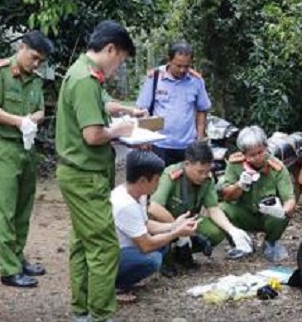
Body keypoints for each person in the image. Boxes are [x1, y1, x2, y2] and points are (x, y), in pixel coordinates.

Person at [55, 20, 137, 322]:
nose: (119, 66)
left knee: (82, 241)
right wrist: (120, 131)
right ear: (110, 49)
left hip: (78, 173)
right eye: (121, 60)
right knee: (104, 245)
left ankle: (81, 309)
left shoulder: (80, 72)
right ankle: (100, 314)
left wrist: (124, 111)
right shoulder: (86, 80)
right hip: (85, 176)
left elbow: (102, 104)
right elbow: (93, 135)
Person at [0, 30, 53, 288]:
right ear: (21, 47)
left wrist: (34, 119)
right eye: (33, 57)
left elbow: (41, 109)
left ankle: (19, 259)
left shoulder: (36, 79)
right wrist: (19, 121)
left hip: (27, 148)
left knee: (23, 208)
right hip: (4, 147)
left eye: (40, 61)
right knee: (5, 209)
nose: (36, 64)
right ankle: (9, 270)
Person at [148, 141, 252, 274]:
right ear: (187, 164)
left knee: (215, 232)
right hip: (164, 223)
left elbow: (213, 208)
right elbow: (154, 207)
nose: (204, 175)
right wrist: (176, 227)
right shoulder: (171, 175)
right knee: (165, 261)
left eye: (207, 171)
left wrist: (232, 230)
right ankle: (166, 256)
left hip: (188, 221)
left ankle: (181, 252)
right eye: (200, 171)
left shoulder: (207, 179)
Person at [111, 149, 199, 303]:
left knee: (162, 246)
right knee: (153, 259)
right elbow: (146, 245)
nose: (158, 184)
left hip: (129, 246)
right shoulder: (125, 204)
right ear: (143, 181)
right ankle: (116, 286)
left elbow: (146, 224)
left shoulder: (139, 194)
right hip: (114, 253)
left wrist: (174, 225)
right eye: (157, 180)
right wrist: (176, 232)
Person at [218, 126, 296, 262]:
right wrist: (239, 185)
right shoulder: (234, 164)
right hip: (244, 213)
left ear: (266, 147)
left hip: (268, 216)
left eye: (260, 152)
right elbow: (226, 196)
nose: (258, 157)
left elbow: (289, 198)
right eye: (252, 155)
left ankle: (271, 242)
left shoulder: (277, 167)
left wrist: (283, 210)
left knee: (281, 215)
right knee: (222, 209)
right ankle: (240, 242)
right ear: (243, 154)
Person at [135, 42, 211, 166]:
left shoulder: (196, 81)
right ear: (169, 61)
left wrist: (200, 138)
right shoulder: (154, 78)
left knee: (185, 182)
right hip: (159, 144)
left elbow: (202, 109)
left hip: (188, 146)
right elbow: (142, 109)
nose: (182, 70)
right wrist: (145, 139)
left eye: (186, 66)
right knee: (159, 182)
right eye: (178, 65)